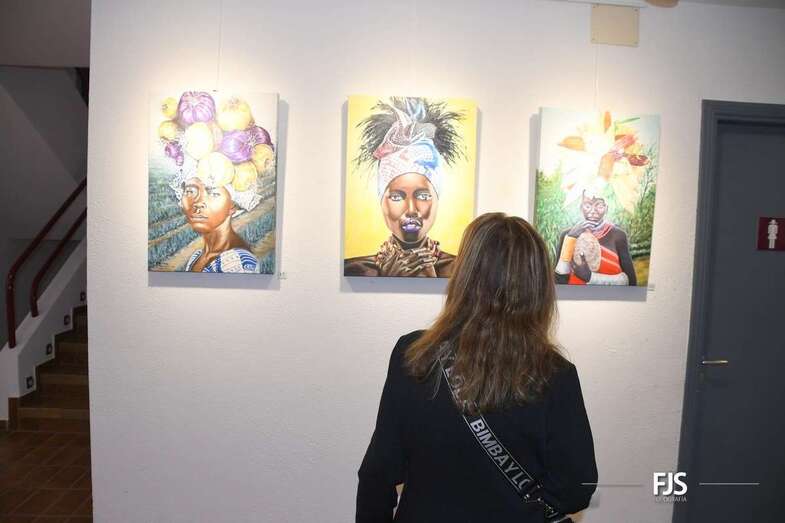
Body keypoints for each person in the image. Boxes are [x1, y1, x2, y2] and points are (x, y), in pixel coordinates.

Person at [357, 213, 598, 522]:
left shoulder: (414, 354)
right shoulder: (556, 375)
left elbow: (378, 474)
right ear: (538, 286)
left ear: (464, 275)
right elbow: (576, 489)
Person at [344, 97, 464, 278]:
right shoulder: (354, 270)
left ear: (437, 199)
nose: (411, 210)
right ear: (381, 201)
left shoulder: (461, 272)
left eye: (423, 196)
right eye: (396, 197)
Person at [554, 190, 636, 286]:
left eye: (599, 206)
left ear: (606, 208)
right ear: (581, 208)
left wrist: (591, 277)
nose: (593, 211)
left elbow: (631, 282)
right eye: (587, 206)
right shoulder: (568, 235)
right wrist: (571, 238)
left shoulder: (618, 235)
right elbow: (558, 281)